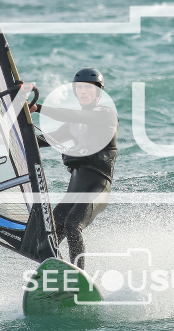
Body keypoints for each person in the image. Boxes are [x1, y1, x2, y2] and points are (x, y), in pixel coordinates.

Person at [29, 68, 118, 270]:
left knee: (72, 225)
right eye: (80, 88)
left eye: (89, 88)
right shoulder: (73, 125)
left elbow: (74, 115)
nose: (84, 91)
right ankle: (54, 271)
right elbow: (43, 140)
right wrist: (5, 138)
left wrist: (38, 108)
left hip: (97, 187)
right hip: (75, 189)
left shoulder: (106, 115)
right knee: (48, 234)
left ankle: (78, 274)